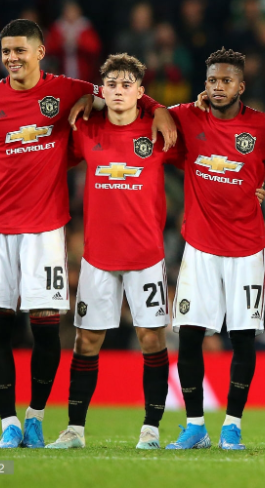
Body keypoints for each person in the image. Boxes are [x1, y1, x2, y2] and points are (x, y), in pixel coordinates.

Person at [0, 20, 171, 449]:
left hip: (46, 228)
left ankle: (37, 417)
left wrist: (161, 108)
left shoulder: (69, 93)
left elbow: (122, 93)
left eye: (21, 50)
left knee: (47, 329)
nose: (12, 58)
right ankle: (11, 425)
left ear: (41, 52)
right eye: (6, 51)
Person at [163, 48, 265, 451]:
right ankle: (194, 425)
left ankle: (233, 425)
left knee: (242, 338)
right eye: (211, 81)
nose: (217, 87)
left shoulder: (261, 126)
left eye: (225, 80)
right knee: (189, 336)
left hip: (246, 249)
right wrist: (186, 104)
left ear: (241, 85)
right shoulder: (188, 119)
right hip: (200, 248)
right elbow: (151, 112)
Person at [47, 54, 179, 450]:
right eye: (111, 85)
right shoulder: (84, 127)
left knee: (152, 339)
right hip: (98, 258)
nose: (118, 92)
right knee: (86, 342)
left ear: (141, 91)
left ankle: (151, 431)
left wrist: (158, 110)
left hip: (146, 257)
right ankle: (74, 430)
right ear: (101, 90)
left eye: (127, 85)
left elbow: (207, 162)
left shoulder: (160, 131)